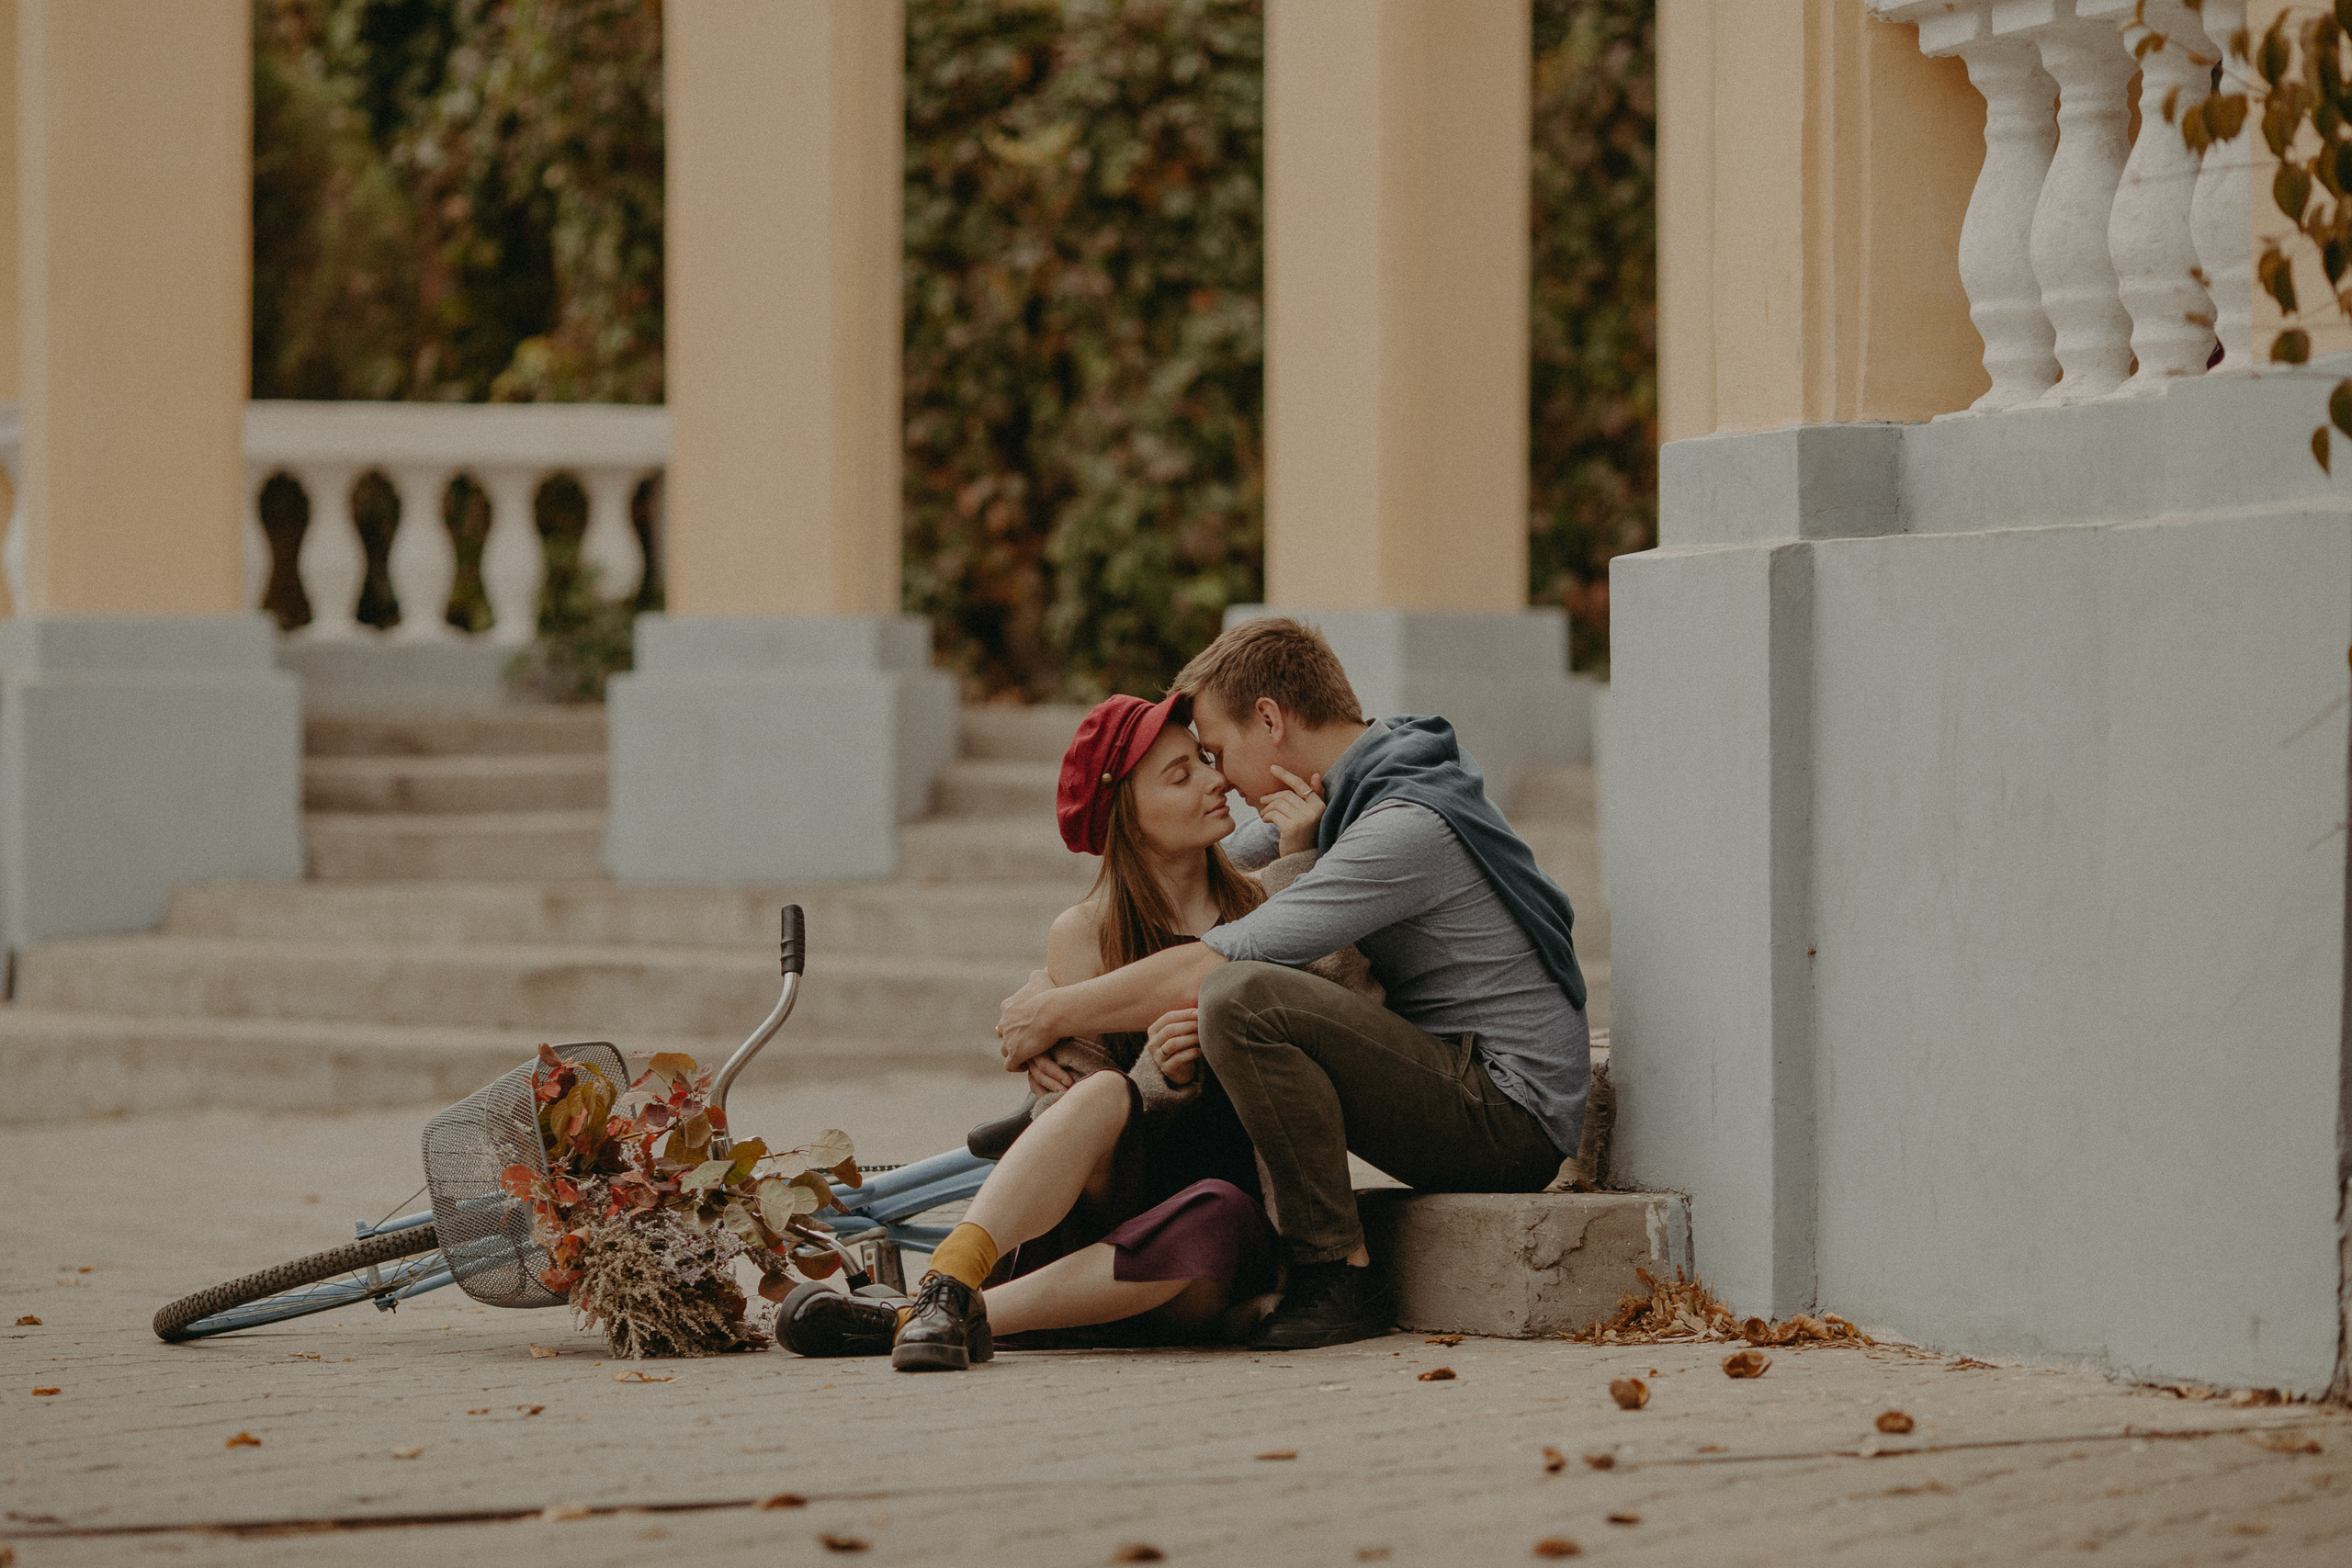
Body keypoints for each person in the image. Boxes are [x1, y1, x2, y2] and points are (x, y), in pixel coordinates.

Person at [991, 617, 1592, 1350]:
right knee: (1237, 990)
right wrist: (1049, 987)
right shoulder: (1354, 790)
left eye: (1215, 750)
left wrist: (1052, 1011)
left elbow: (1216, 956)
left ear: (1269, 720)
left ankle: (1336, 1268)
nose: (1220, 778)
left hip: (1508, 1116)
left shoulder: (1400, 824)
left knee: (1243, 997)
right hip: (1455, 1072)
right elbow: (1192, 874)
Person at [775, 689, 1351, 1371]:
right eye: (1180, 774)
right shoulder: (1086, 934)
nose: (1215, 777)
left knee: (1217, 1212)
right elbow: (1066, 1121)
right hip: (1099, 1229)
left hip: (1210, 1248)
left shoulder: (1264, 901)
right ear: (1128, 818)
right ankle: (951, 1278)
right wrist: (1158, 1078)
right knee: (1105, 1095)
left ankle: (922, 1312)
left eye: (1202, 759)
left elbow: (1332, 1020)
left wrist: (1301, 859)